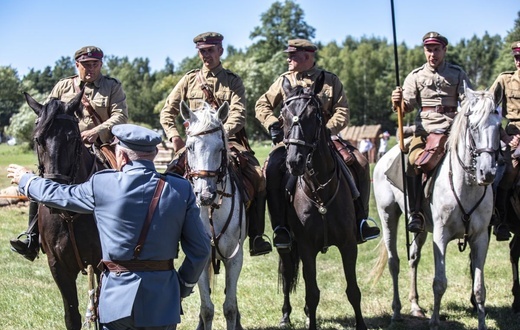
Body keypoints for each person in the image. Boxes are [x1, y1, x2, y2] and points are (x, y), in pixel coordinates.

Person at [7, 124, 211, 330]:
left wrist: (26, 179)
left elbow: (59, 195)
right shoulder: (180, 189)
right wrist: (182, 286)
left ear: (121, 155)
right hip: (163, 299)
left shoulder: (102, 184)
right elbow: (200, 249)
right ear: (152, 155)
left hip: (116, 301)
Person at [255, 38, 380, 249]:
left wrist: (326, 130)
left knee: (359, 161)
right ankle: (281, 228)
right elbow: (262, 104)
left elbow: (342, 111)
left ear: (307, 56)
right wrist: (272, 124)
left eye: (292, 55)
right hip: (293, 141)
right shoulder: (283, 81)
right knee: (272, 170)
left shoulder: (330, 80)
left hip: (325, 140)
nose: (288, 58)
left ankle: (361, 221)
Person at [10, 45, 128, 261]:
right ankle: (32, 237)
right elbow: (47, 114)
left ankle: (129, 232)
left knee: (123, 177)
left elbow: (120, 116)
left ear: (100, 64)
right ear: (77, 65)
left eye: (95, 64)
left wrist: (96, 131)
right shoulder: (63, 86)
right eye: (86, 64)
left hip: (102, 145)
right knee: (42, 179)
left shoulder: (112, 86)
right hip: (64, 148)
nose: (90, 68)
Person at [160, 32, 272, 256]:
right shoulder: (189, 80)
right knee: (168, 180)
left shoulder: (232, 80)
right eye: (202, 51)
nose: (206, 55)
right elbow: (167, 112)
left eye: (210, 50)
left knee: (258, 177)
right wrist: (175, 137)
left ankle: (257, 237)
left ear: (220, 50)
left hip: (228, 141)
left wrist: (220, 134)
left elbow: (239, 114)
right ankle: (168, 237)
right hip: (195, 145)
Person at [391, 32, 471, 233]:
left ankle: (487, 209)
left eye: (436, 49)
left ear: (444, 50)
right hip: (425, 131)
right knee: (412, 162)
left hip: (454, 130)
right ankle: (416, 212)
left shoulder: (457, 73)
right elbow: (407, 106)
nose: (432, 54)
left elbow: (468, 101)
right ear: (424, 51)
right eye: (429, 49)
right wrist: (397, 101)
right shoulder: (416, 76)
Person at [488, 41, 520, 241]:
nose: (519, 62)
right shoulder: (505, 80)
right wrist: (504, 136)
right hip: (514, 133)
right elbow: (487, 108)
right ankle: (500, 220)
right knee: (509, 171)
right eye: (517, 57)